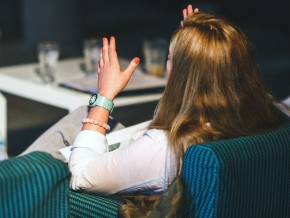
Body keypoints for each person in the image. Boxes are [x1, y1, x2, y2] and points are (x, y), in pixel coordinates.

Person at [68, 4, 288, 195]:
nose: (168, 65)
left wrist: (103, 97)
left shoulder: (165, 148)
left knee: (65, 136)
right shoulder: (271, 113)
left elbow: (80, 177)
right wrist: (194, 45)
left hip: (115, 195)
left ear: (183, 73)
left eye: (171, 59)